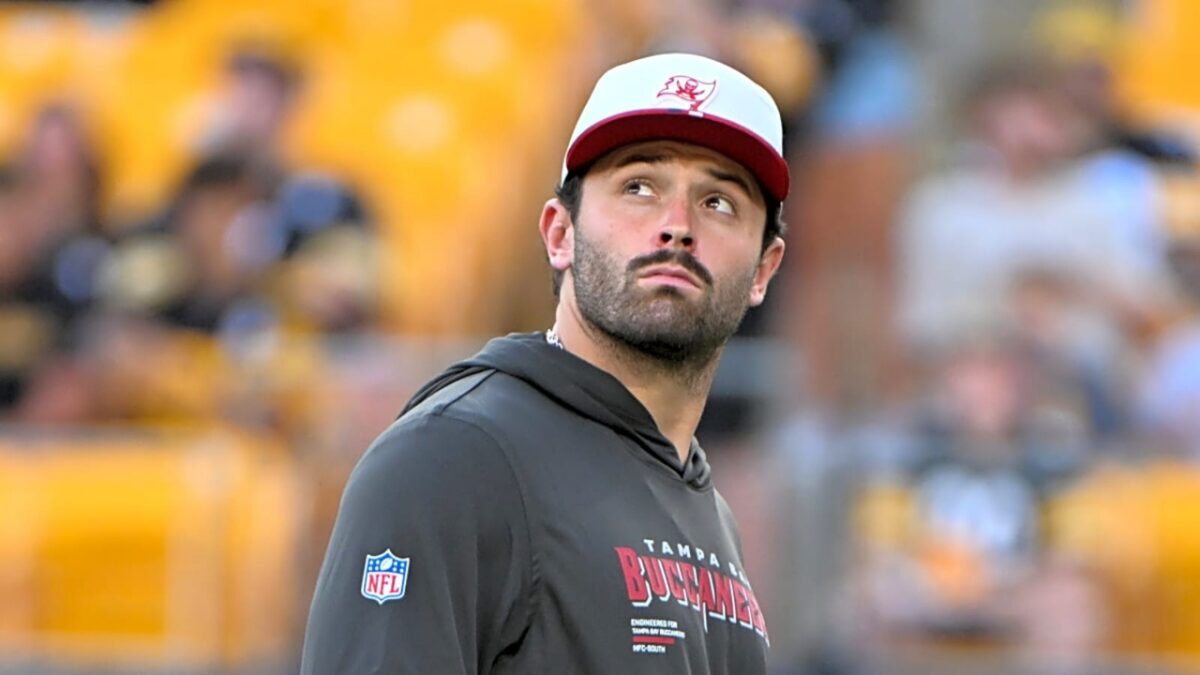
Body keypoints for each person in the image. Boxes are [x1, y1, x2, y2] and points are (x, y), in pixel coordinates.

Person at [300, 52, 789, 673]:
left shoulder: (708, 510)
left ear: (764, 269)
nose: (676, 226)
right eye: (638, 186)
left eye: (719, 202)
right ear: (560, 234)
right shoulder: (452, 458)